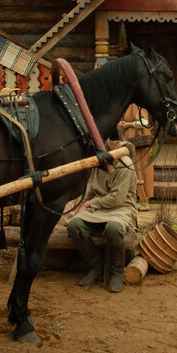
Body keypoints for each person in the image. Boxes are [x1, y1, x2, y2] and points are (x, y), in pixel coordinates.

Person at [66, 151, 138, 293]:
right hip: (97, 208)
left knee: (113, 228)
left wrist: (90, 204)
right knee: (75, 226)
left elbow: (117, 198)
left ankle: (116, 272)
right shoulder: (98, 162)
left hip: (121, 208)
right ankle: (95, 267)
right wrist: (81, 205)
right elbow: (90, 188)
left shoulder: (125, 165)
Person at [118, 104, 154, 211]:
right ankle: (135, 199)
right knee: (134, 169)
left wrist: (128, 124)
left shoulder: (138, 105)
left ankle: (144, 201)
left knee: (141, 169)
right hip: (132, 142)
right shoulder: (130, 105)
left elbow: (144, 123)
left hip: (139, 144)